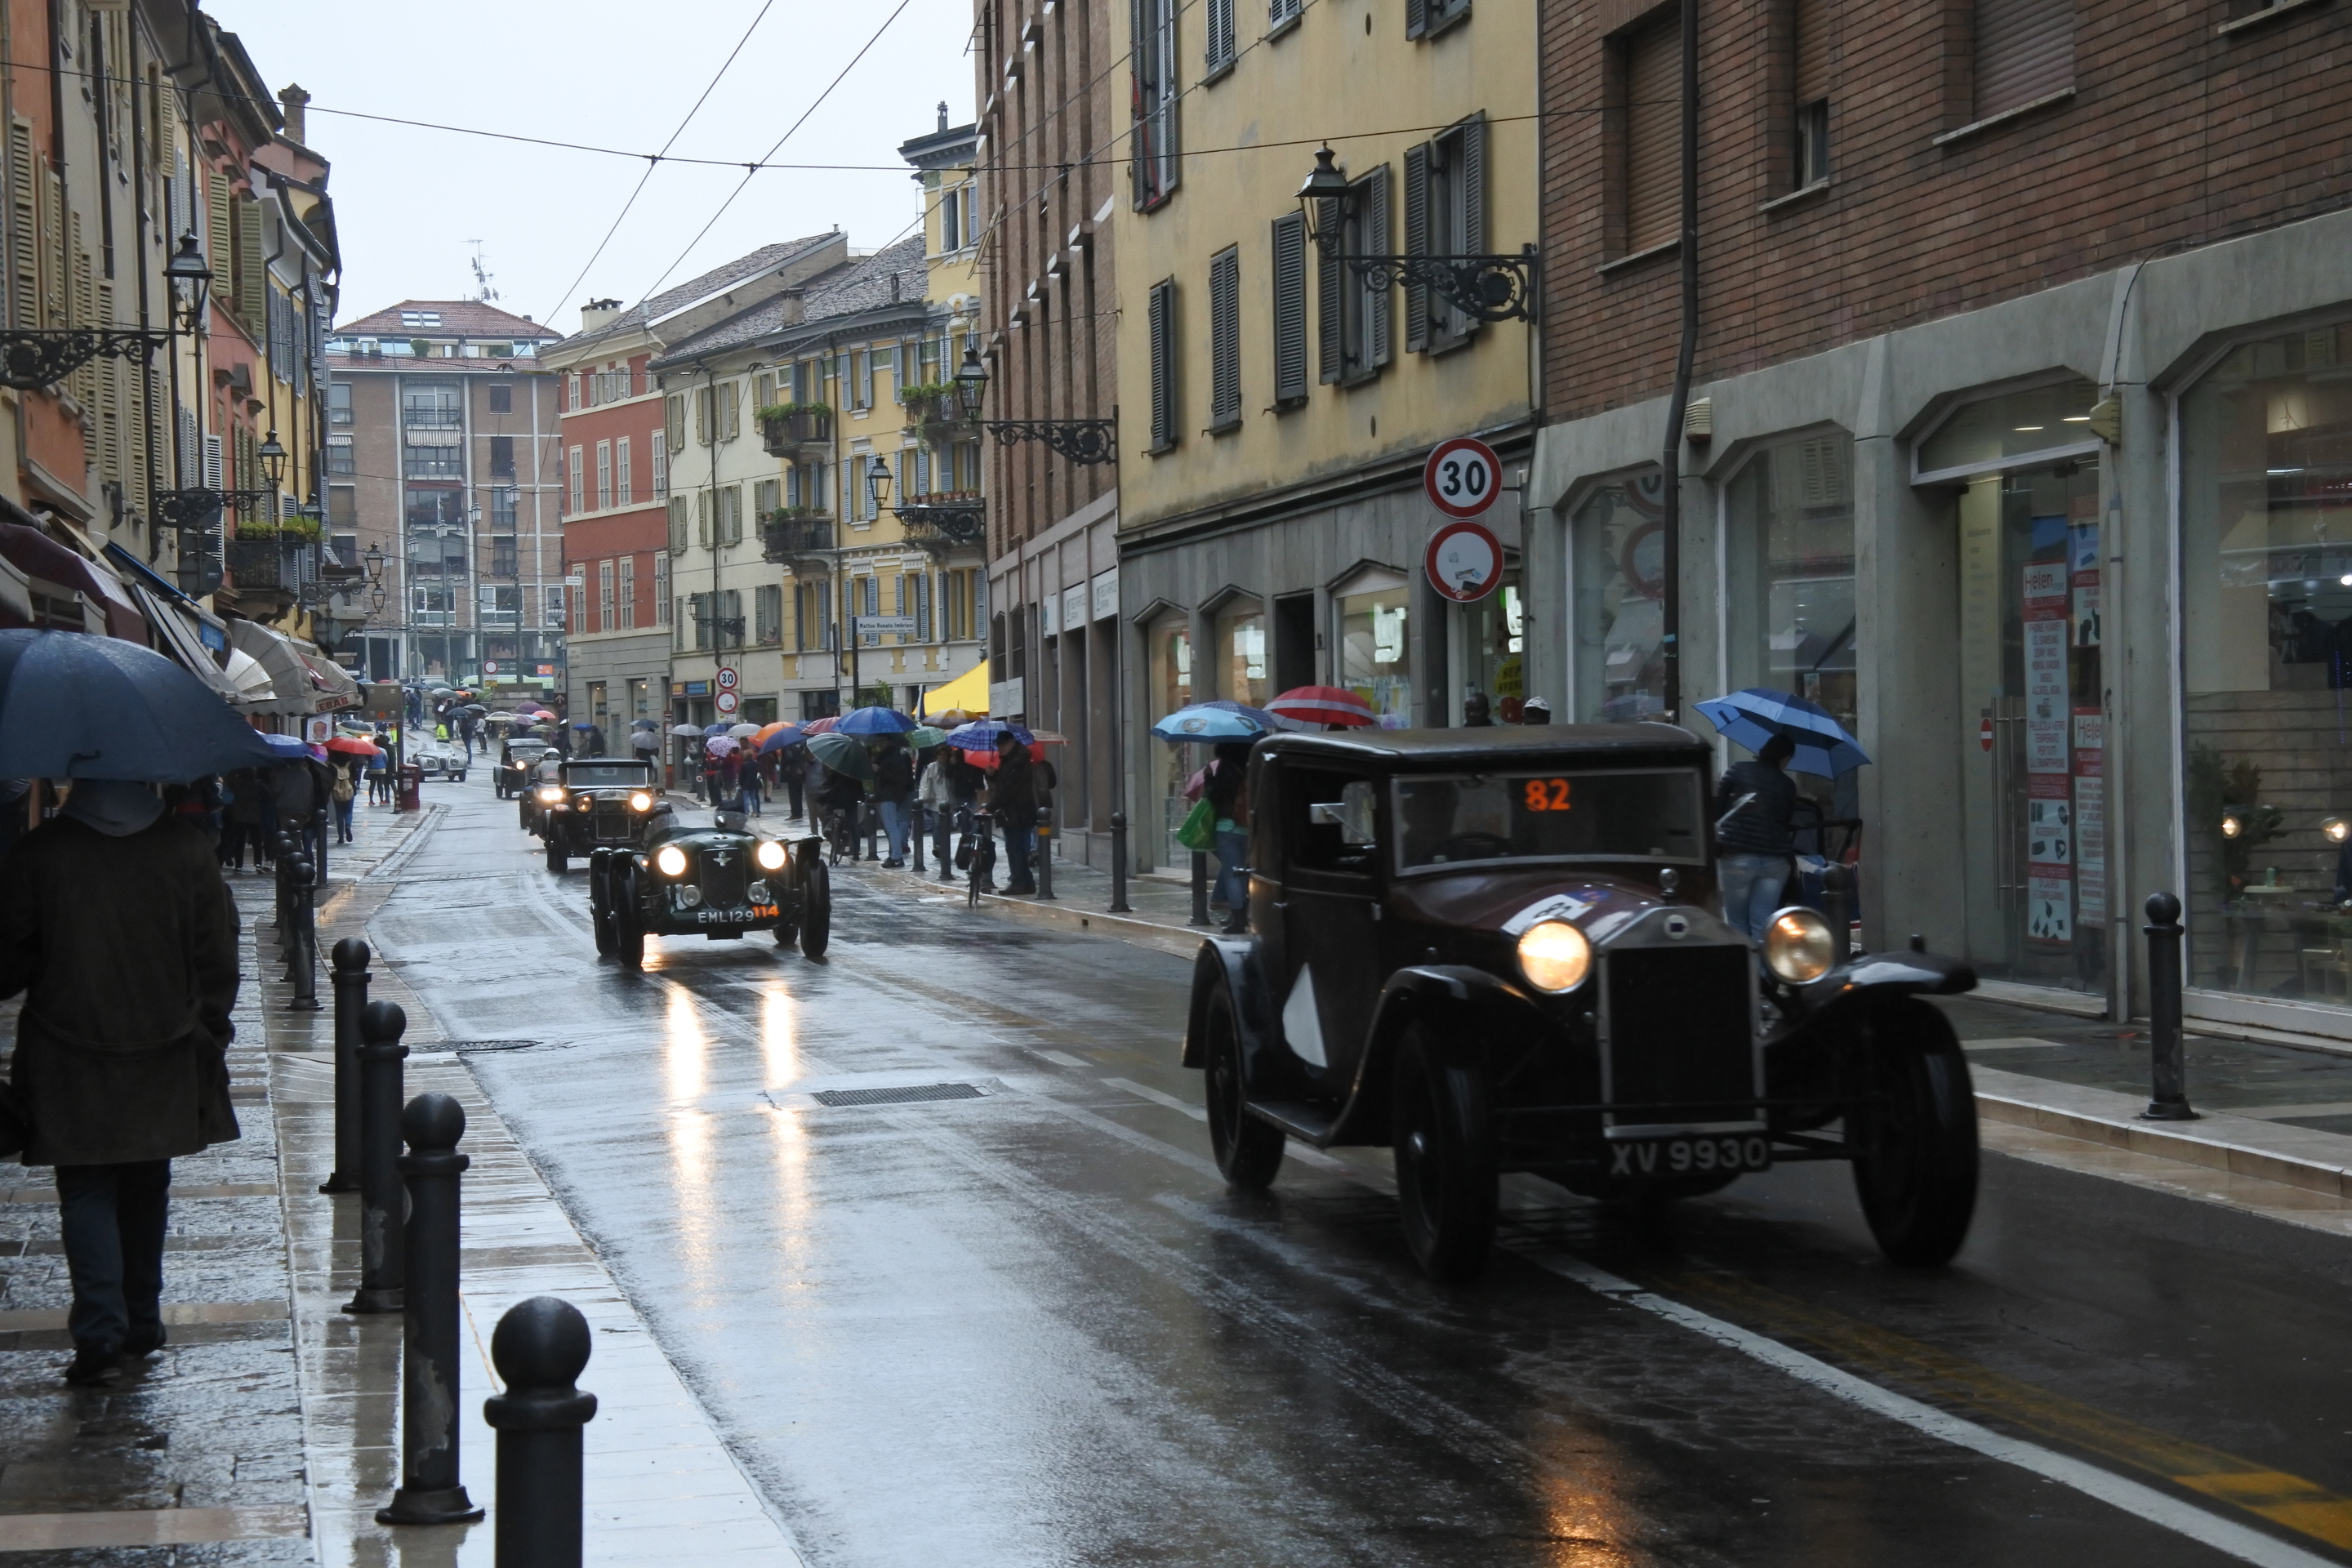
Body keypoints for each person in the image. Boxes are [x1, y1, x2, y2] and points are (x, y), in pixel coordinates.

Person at [0, 778, 241, 1385]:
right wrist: (210, 1030)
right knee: (147, 1184)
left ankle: (100, 1337)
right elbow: (217, 953)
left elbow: (7, 962)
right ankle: (140, 1320)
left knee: (85, 1190)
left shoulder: (41, 850)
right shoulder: (185, 848)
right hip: (165, 1049)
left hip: (66, 1051)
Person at [1715, 733, 1801, 940]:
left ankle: (1744, 961)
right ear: (1785, 758)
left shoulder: (1738, 770)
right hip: (1776, 860)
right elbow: (1785, 821)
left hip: (1738, 856)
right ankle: (1762, 962)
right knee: (1763, 922)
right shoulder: (1788, 785)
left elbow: (1718, 809)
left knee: (1737, 922)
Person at [985, 733, 1055, 894]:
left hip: (1017, 812)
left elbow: (1008, 789)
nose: (1000, 748)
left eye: (1002, 745)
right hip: (1021, 811)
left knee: (1015, 848)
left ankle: (1019, 882)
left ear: (1011, 743)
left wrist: (989, 807)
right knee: (1020, 847)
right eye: (998, 745)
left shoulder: (1017, 761)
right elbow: (1005, 784)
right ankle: (1026, 882)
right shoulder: (1013, 759)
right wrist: (993, 775)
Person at [1202, 742, 1253, 933]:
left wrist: (1209, 778)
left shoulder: (1226, 767)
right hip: (1247, 827)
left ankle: (1238, 919)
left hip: (1227, 827)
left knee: (1232, 875)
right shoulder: (1252, 767)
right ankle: (1243, 914)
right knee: (1244, 873)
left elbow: (1214, 796)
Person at [873, 737, 915, 868]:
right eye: (878, 741)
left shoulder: (893, 756)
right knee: (893, 825)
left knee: (891, 826)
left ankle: (896, 856)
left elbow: (896, 777)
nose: (879, 744)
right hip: (890, 794)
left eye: (881, 741)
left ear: (888, 741)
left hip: (888, 794)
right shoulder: (891, 755)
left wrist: (879, 770)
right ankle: (895, 854)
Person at [775, 742, 808, 820]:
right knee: (798, 794)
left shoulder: (787, 747)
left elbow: (788, 757)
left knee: (793, 795)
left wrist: (786, 766)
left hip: (792, 774)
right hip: (799, 773)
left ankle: (795, 813)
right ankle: (799, 812)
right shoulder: (798, 748)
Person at [330, 759, 358, 843]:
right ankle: (348, 826)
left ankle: (341, 837)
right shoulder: (350, 763)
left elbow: (329, 779)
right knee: (349, 811)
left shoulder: (332, 765)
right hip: (349, 791)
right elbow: (356, 777)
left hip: (337, 792)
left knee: (339, 814)